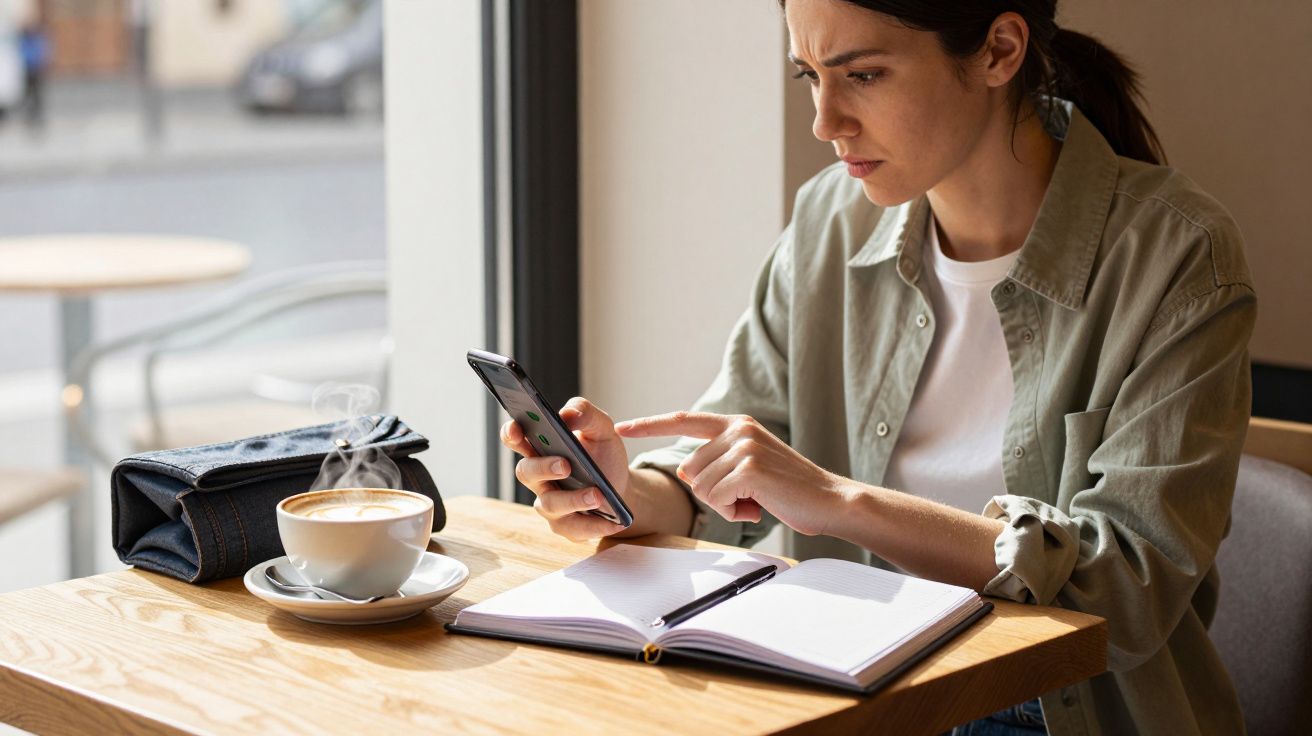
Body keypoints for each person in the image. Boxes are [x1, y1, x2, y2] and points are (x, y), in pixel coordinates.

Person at [501, 1, 1254, 734]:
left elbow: (1125, 592)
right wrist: (628, 492)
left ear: (999, 50)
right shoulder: (831, 219)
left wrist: (837, 499)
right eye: (809, 77)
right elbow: (744, 451)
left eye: (862, 75)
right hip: (854, 693)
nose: (826, 123)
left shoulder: (1178, 257)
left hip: (1058, 709)